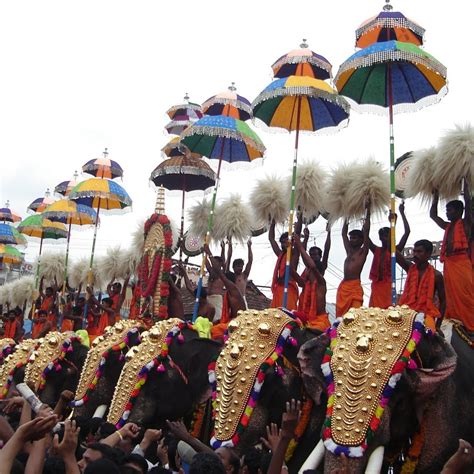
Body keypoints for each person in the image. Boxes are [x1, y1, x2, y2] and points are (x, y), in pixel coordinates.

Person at [430, 183, 473, 331]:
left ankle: (471, 326)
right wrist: (435, 195)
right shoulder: (447, 226)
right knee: (450, 296)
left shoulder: (466, 223)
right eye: (447, 210)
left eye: (450, 210)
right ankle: (456, 322)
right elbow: (433, 215)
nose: (447, 213)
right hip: (449, 264)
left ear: (459, 211)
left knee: (466, 295)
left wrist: (465, 182)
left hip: (461, 263)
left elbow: (468, 203)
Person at [397, 239, 445, 332]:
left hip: (427, 315)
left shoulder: (437, 275)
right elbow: (394, 252)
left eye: (419, 252)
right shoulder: (409, 268)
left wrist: (438, 325)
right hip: (407, 313)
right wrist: (406, 232)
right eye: (414, 251)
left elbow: (443, 301)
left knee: (426, 338)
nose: (415, 254)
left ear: (428, 254)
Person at [368, 202, 410, 308]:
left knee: (388, 311)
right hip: (376, 285)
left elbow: (407, 232)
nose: (385, 238)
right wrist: (368, 212)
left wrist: (400, 215)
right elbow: (365, 236)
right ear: (380, 238)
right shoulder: (376, 250)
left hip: (388, 285)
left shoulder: (395, 250)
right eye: (382, 236)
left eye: (387, 235)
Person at [204, 244, 246, 341]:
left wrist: (209, 252)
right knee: (214, 327)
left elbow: (220, 271)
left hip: (238, 323)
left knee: (214, 332)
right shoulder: (229, 292)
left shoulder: (233, 289)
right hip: (232, 321)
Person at [336, 200, 371, 317]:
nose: (351, 240)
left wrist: (368, 211)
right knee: (341, 319)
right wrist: (347, 213)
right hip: (344, 287)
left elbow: (366, 230)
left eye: (355, 238)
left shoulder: (363, 252)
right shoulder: (349, 252)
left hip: (355, 288)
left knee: (355, 316)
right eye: (351, 238)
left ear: (361, 240)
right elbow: (343, 233)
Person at [294, 230, 330, 331]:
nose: (313, 257)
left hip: (319, 320)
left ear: (320, 256)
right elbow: (300, 281)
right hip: (306, 316)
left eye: (315, 255)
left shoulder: (321, 278)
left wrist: (329, 233)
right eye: (311, 255)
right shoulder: (307, 275)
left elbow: (326, 250)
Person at [268, 220, 299, 310]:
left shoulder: (294, 253)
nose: (284, 244)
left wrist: (296, 229)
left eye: (286, 241)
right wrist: (273, 222)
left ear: (292, 242)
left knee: (288, 317)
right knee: (276, 317)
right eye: (282, 242)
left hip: (289, 288)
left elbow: (297, 242)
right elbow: (271, 239)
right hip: (279, 289)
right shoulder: (281, 254)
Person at [227, 238, 253, 308]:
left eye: (241, 266)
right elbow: (228, 257)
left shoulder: (244, 276)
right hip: (232, 299)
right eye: (238, 266)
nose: (240, 268)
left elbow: (250, 261)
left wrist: (249, 247)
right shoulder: (230, 276)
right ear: (233, 267)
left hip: (242, 299)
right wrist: (230, 243)